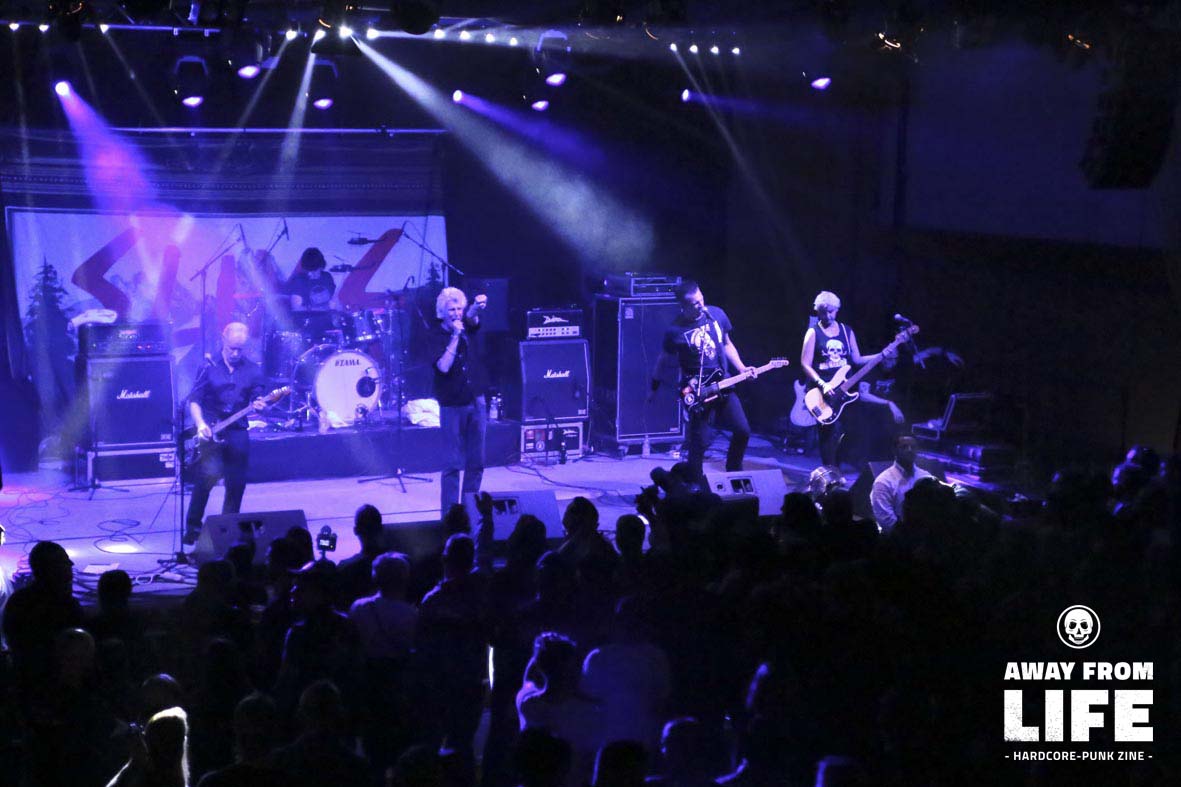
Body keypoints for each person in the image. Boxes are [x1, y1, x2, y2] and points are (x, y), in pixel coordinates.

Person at [652, 280, 756, 482]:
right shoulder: (675, 330)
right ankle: (694, 482)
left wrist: (742, 367)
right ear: (684, 306)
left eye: (701, 299)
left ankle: (734, 474)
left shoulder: (716, 315)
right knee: (700, 441)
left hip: (723, 384)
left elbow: (727, 344)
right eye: (696, 303)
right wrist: (654, 386)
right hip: (698, 390)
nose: (701, 305)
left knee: (743, 430)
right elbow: (663, 360)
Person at [184, 322, 267, 546]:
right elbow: (194, 400)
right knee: (207, 477)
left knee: (236, 482)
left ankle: (226, 528)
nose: (236, 354)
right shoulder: (208, 366)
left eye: (240, 349)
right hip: (211, 428)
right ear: (223, 340)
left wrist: (260, 404)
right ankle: (192, 527)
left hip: (237, 430)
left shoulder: (253, 370)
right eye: (232, 348)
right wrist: (200, 424)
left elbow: (258, 398)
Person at [799, 291, 890, 468]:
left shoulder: (847, 331)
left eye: (832, 312)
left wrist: (881, 355)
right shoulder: (813, 332)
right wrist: (823, 384)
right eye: (824, 312)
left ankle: (837, 467)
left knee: (852, 430)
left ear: (837, 310)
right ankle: (830, 472)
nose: (828, 316)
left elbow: (857, 359)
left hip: (845, 390)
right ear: (818, 311)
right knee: (828, 434)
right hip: (822, 392)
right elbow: (805, 364)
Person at [430, 285, 489, 514]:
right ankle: (450, 516)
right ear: (442, 313)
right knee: (452, 465)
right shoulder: (436, 335)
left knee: (476, 462)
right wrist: (455, 336)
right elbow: (443, 367)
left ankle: (470, 511)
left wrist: (475, 305)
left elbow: (472, 316)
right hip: (452, 405)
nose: (456, 314)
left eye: (458, 309)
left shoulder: (468, 325)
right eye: (451, 310)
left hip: (476, 401)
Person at [870, 434, 933, 533]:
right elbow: (887, 521)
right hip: (897, 539)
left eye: (913, 447)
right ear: (894, 451)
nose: (909, 450)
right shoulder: (883, 482)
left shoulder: (926, 476)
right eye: (904, 447)